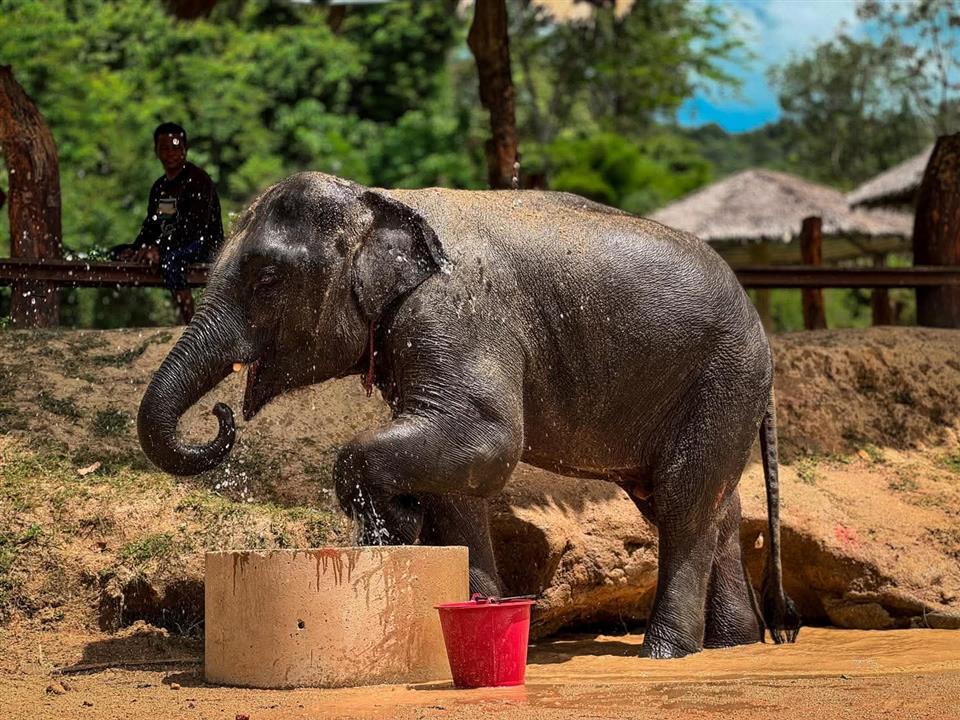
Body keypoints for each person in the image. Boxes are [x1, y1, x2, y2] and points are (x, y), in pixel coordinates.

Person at [112, 122, 224, 324]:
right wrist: (140, 247)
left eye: (176, 147)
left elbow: (195, 228)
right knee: (117, 252)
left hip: (203, 244)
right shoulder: (160, 187)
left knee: (171, 261)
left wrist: (160, 249)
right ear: (156, 151)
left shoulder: (198, 180)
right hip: (172, 244)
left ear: (185, 149)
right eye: (164, 148)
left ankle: (190, 324)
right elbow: (152, 225)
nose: (170, 153)